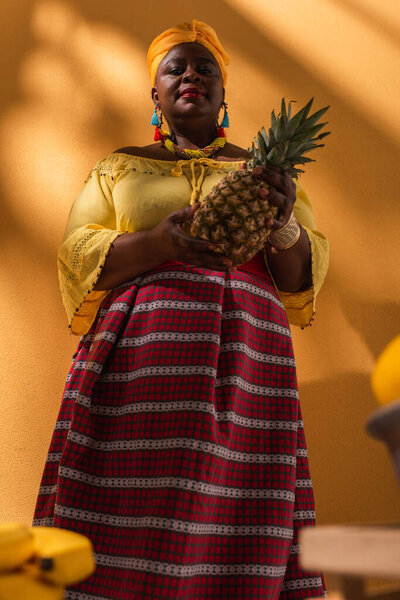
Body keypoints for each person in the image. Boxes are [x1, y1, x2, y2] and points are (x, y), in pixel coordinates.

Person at [33, 19, 329, 600]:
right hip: (137, 363)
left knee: (237, 499)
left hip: (248, 364)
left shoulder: (267, 172)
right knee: (130, 489)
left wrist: (282, 217)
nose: (191, 74)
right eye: (176, 68)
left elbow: (302, 276)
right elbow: (75, 253)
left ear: (224, 93)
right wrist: (158, 245)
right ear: (155, 95)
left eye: (206, 68)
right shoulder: (120, 166)